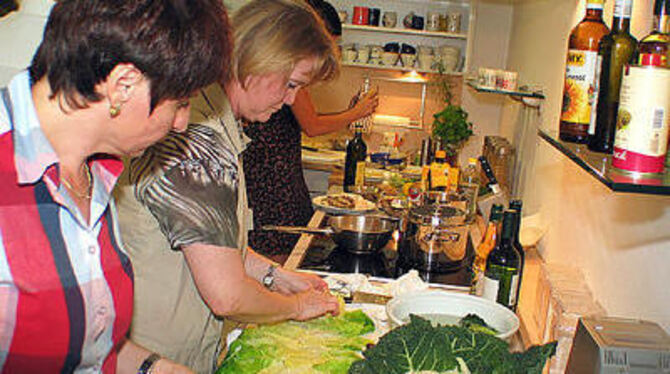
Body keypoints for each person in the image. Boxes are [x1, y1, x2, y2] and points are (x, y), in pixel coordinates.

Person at [0, 0, 229, 373]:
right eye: (181, 103)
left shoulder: (96, 170)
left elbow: (89, 348)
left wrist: (154, 368)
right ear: (124, 85)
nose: (181, 124)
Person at [113, 0, 341, 372]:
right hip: (155, 358)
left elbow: (213, 246)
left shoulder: (215, 122)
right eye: (291, 83)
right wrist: (296, 308)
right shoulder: (198, 141)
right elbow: (226, 295)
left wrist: (279, 277)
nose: (291, 100)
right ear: (259, 59)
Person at [243, 0, 379, 263]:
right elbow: (312, 125)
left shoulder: (288, 74)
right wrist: (356, 113)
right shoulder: (284, 68)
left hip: (281, 170)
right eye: (328, 41)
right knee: (277, 252)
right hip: (271, 175)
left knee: (284, 253)